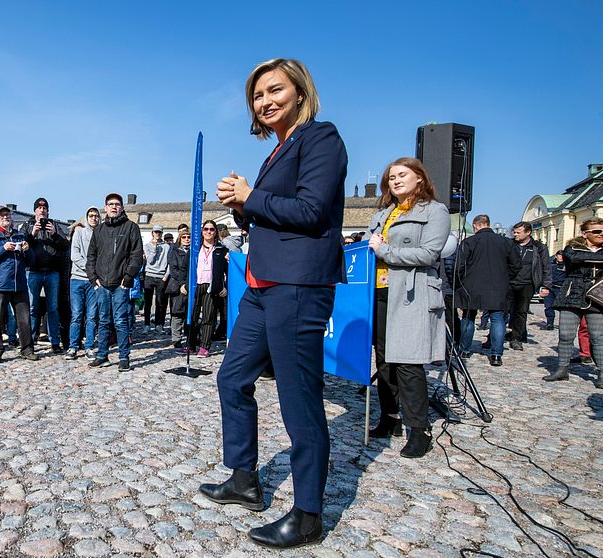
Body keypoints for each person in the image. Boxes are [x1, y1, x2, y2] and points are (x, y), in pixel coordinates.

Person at [202, 58, 346, 549]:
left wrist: (251, 197)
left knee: (297, 398)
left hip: (299, 287)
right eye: (257, 96)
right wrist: (243, 208)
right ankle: (244, 479)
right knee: (232, 377)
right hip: (262, 287)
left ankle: (307, 515)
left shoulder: (321, 137)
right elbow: (271, 221)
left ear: (300, 92)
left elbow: (310, 211)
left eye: (274, 91)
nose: (265, 102)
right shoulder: (275, 153)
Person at [365, 158, 450, 458]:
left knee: (408, 363)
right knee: (385, 360)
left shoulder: (435, 212)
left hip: (411, 294)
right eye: (391, 178)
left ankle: (419, 429)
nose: (396, 181)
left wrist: (384, 249)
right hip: (379, 291)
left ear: (420, 178)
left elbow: (429, 253)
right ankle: (390, 418)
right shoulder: (383, 214)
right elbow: (367, 246)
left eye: (403, 175)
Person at [86, 193, 144, 371]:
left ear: (122, 207)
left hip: (121, 284)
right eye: (110, 204)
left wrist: (128, 278)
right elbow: (91, 256)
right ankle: (102, 355)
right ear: (105, 208)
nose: (114, 207)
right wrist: (93, 278)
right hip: (102, 284)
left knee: (120, 321)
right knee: (103, 321)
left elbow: (136, 255)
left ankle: (124, 357)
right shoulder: (99, 230)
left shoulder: (131, 227)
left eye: (117, 204)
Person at [543, 220, 603, 387]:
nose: (600, 234)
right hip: (572, 295)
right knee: (565, 335)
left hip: (597, 297)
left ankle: (602, 372)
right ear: (585, 233)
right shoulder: (572, 248)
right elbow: (574, 258)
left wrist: (591, 259)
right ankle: (562, 369)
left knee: (598, 337)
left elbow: (582, 259)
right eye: (596, 231)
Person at [454, 214, 520, 366]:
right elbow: (516, 265)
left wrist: (459, 282)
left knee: (468, 317)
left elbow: (459, 266)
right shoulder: (506, 242)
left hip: (472, 284)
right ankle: (496, 355)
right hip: (498, 285)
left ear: (476, 226)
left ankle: (465, 350)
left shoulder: (469, 241)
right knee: (497, 319)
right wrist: (505, 277)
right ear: (488, 224)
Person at [0, 205, 38, 363]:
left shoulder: (20, 236)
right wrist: (3, 249)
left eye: (7, 215)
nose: (6, 217)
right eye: (2, 216)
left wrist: (27, 250)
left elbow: (31, 261)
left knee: (25, 320)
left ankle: (27, 349)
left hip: (19, 285)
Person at [25, 197, 68, 353]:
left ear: (48, 211)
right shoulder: (28, 225)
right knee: (31, 308)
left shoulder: (54, 225)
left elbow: (65, 246)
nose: (42, 210)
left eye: (45, 208)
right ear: (35, 210)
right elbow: (21, 244)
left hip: (52, 272)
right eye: (39, 208)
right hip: (33, 271)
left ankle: (54, 342)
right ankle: (29, 342)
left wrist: (55, 234)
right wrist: (32, 233)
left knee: (53, 308)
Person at [181, 220, 228, 358]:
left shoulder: (221, 250)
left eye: (212, 229)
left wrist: (225, 286)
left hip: (211, 287)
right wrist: (183, 284)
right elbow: (185, 269)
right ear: (202, 232)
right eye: (206, 229)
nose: (208, 232)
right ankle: (191, 344)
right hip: (195, 285)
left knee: (208, 317)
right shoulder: (194, 249)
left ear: (215, 232)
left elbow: (229, 271)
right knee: (191, 316)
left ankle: (204, 347)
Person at [508, 222, 551, 349]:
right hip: (510, 282)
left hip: (528, 283)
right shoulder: (510, 245)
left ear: (528, 233)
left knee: (521, 311)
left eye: (518, 232)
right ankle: (514, 333)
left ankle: (517, 338)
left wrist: (546, 285)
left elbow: (546, 267)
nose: (515, 234)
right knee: (506, 310)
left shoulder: (539, 247)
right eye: (514, 232)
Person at [68, 207, 100, 359]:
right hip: (77, 279)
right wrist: (91, 270)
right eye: (91, 215)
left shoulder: (101, 235)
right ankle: (73, 346)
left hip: (93, 282)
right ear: (86, 217)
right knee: (76, 315)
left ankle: (89, 346)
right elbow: (75, 255)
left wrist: (94, 275)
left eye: (96, 216)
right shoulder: (79, 233)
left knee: (92, 316)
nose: (94, 218)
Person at [165, 229, 192, 348]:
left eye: (188, 237)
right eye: (184, 237)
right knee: (177, 312)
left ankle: (190, 336)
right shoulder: (175, 251)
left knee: (189, 312)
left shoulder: (195, 251)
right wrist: (182, 283)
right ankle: (176, 338)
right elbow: (173, 269)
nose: (186, 239)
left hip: (191, 284)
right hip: (177, 285)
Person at [142, 224, 170, 335]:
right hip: (149, 275)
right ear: (152, 233)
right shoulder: (147, 245)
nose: (157, 234)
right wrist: (154, 247)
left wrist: (165, 276)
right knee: (148, 302)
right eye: (155, 232)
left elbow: (169, 263)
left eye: (159, 232)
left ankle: (159, 324)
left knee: (160, 302)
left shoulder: (167, 247)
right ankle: (146, 324)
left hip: (161, 276)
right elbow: (150, 261)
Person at [541, 250, 566, 331]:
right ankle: (550, 323)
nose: (561, 257)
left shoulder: (568, 266)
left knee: (562, 308)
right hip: (550, 288)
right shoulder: (551, 265)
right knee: (548, 307)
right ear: (556, 256)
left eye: (562, 255)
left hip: (561, 288)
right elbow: (545, 275)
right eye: (559, 255)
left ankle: (563, 325)